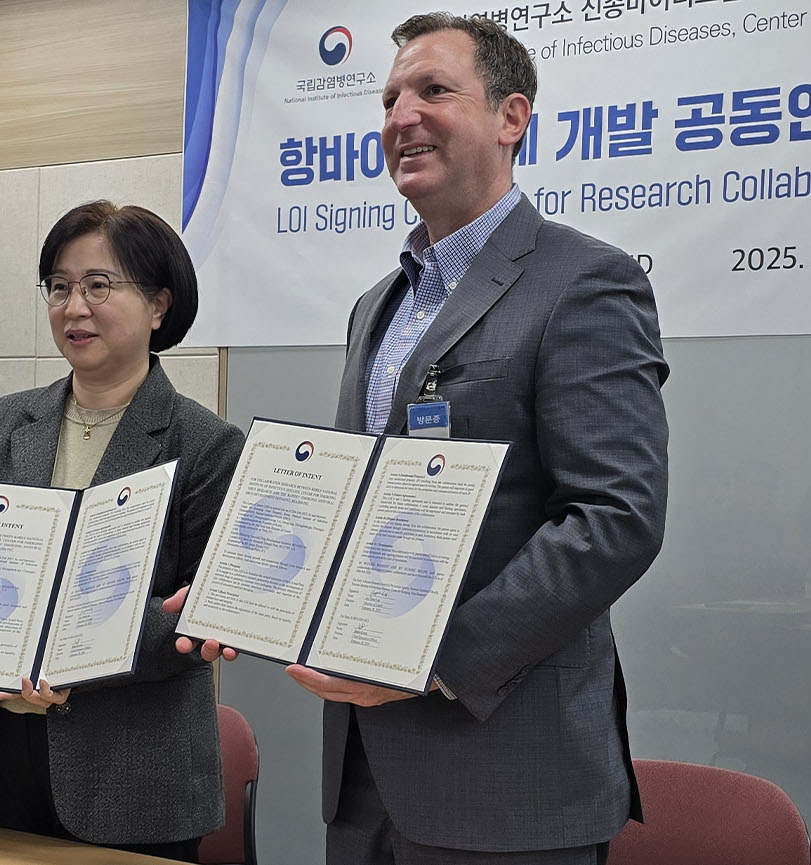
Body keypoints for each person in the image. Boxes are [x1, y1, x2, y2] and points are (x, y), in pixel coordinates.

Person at [173, 12, 669, 864]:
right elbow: (353, 508)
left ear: (511, 117)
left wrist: (431, 660)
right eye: (391, 96)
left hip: (505, 770)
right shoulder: (379, 305)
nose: (402, 115)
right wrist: (249, 584)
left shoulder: (586, 281)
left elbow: (614, 517)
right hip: (361, 770)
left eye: (434, 90)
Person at [0, 201, 244, 862]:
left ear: (158, 305)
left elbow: (197, 619)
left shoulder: (204, 442)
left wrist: (65, 649)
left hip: (130, 773)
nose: (75, 308)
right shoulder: (8, 420)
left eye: (100, 285)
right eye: (61, 287)